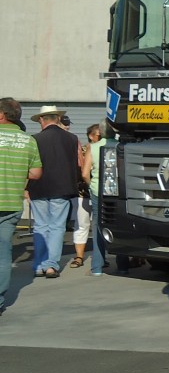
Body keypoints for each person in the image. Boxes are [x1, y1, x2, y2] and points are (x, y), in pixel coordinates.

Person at [26, 105, 85, 279]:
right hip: (62, 187)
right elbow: (79, 163)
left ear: (41, 120)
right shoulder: (72, 138)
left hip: (38, 187)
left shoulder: (34, 139)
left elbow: (29, 165)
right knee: (57, 227)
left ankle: (39, 265)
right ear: (58, 119)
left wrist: (25, 187)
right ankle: (51, 265)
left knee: (41, 226)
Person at [1, 98, 43, 316]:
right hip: (11, 203)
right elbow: (36, 173)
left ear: (1, 115)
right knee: (3, 253)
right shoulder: (28, 140)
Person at [63, 114, 91, 269]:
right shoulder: (76, 143)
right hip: (81, 190)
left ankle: (80, 257)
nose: (68, 127)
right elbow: (81, 168)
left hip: (79, 190)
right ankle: (84, 257)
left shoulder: (79, 144)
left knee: (81, 224)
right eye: (66, 124)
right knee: (83, 224)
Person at [79, 124, 107, 276]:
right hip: (117, 190)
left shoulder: (93, 148)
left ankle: (97, 267)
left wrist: (91, 185)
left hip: (98, 190)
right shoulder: (119, 145)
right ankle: (123, 265)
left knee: (97, 226)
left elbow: (84, 173)